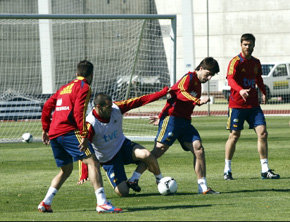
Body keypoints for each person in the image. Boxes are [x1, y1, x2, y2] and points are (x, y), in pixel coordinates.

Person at [128, 57, 220, 194]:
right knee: (158, 151)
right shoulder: (188, 77)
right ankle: (134, 178)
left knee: (198, 148)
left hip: (184, 122)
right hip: (172, 119)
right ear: (200, 68)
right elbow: (180, 93)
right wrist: (197, 101)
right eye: (208, 74)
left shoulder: (197, 83)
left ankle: (203, 187)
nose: (209, 78)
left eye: (211, 75)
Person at [39, 60, 122, 213]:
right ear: (91, 75)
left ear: (76, 73)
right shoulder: (84, 87)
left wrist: (45, 128)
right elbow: (79, 111)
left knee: (66, 169)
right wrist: (84, 134)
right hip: (68, 132)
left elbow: (47, 106)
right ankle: (102, 202)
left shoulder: (64, 88)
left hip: (55, 134)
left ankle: (46, 202)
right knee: (93, 163)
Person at [78, 86, 169, 196]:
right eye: (108, 107)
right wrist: (84, 172)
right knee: (123, 192)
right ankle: (131, 179)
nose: (111, 109)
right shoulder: (90, 124)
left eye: (111, 105)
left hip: (123, 146)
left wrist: (162, 93)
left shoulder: (117, 107)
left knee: (146, 154)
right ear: (98, 107)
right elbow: (84, 148)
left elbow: (140, 100)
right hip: (109, 159)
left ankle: (160, 180)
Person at [223, 33, 280, 180]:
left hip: (253, 105)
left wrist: (263, 91)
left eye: (250, 44)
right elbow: (230, 79)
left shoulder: (256, 62)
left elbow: (258, 77)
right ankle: (227, 169)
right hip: (237, 105)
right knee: (234, 136)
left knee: (263, 133)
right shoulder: (235, 62)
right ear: (241, 45)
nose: (248, 47)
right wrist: (240, 90)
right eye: (245, 44)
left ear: (254, 45)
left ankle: (265, 169)